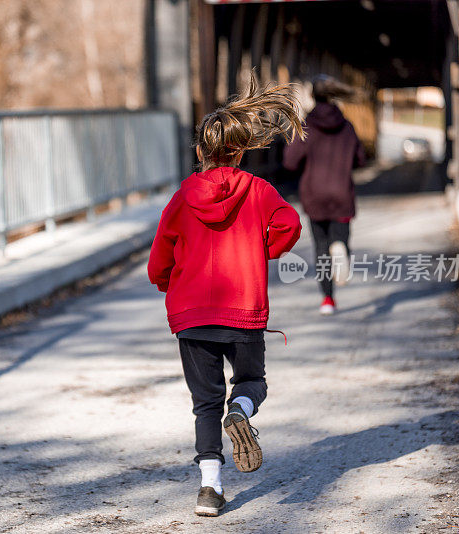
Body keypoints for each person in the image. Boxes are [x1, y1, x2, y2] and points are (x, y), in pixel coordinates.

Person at [147, 74, 304, 517]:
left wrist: (167, 283)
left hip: (192, 315)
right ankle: (242, 409)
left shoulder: (182, 197)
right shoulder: (258, 191)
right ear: (238, 150)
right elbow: (290, 225)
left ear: (201, 151)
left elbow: (160, 256)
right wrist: (263, 250)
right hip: (243, 310)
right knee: (252, 383)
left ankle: (210, 490)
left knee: (204, 404)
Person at [283, 75, 366, 315]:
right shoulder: (347, 126)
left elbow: (290, 161)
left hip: (314, 195)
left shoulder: (306, 126)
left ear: (313, 96)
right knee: (340, 239)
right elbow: (360, 159)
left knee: (321, 248)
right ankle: (341, 246)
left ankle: (328, 299)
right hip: (342, 195)